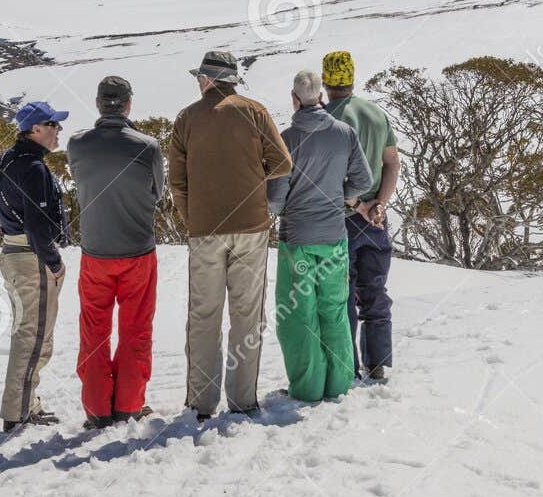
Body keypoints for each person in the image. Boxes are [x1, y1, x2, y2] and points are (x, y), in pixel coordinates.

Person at [168, 50, 293, 420]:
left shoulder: (186, 118)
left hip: (204, 229)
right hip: (252, 227)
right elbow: (283, 163)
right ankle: (242, 400)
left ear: (207, 79)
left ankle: (201, 402)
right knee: (247, 316)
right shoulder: (254, 111)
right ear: (231, 79)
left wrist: (193, 218)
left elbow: (177, 180)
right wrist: (252, 179)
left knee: (204, 315)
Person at [267, 71, 372, 404]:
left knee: (299, 313)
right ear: (321, 96)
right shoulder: (344, 134)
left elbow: (275, 199)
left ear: (294, 98)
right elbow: (362, 180)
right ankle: (338, 384)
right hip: (334, 235)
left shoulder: (286, 139)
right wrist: (340, 196)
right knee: (335, 308)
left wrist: (289, 206)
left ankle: (308, 387)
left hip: (296, 237)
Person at [66, 76, 164, 429]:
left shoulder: (77, 145)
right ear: (128, 105)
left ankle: (96, 409)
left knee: (94, 329)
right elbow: (157, 194)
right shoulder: (148, 146)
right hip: (138, 250)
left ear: (97, 103)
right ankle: (129, 404)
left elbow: (80, 181)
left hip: (95, 251)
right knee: (136, 328)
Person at [322, 51, 402, 383]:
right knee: (375, 290)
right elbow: (392, 163)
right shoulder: (375, 114)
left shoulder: (325, 120)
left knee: (343, 296)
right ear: (352, 78)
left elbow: (328, 177)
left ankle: (347, 366)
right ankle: (378, 363)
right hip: (375, 222)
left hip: (342, 219)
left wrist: (359, 206)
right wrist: (379, 205)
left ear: (326, 81)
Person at [0, 100, 69, 431]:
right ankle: (19, 412)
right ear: (35, 130)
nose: (58, 132)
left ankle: (25, 403)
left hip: (13, 253)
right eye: (53, 125)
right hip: (31, 258)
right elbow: (38, 225)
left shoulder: (9, 158)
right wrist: (53, 262)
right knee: (34, 336)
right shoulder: (34, 168)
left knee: (27, 332)